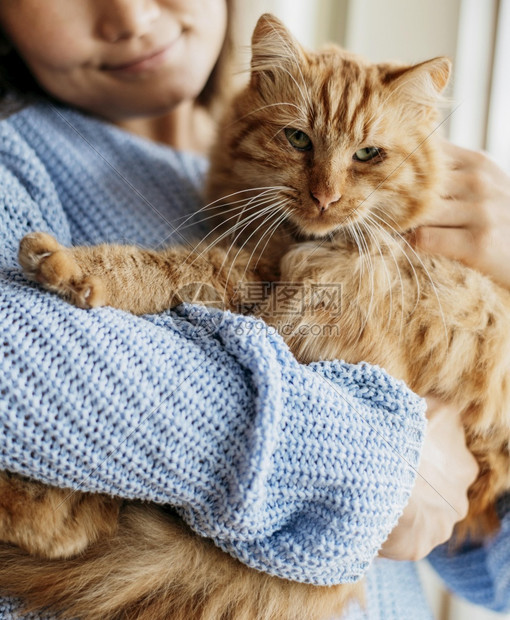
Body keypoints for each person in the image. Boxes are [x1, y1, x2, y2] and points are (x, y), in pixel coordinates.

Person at [0, 1, 505, 618]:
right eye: (297, 140)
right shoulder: (17, 155)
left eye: (365, 157)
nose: (129, 15)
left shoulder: (376, 226)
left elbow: (491, 569)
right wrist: (385, 469)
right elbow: (17, 365)